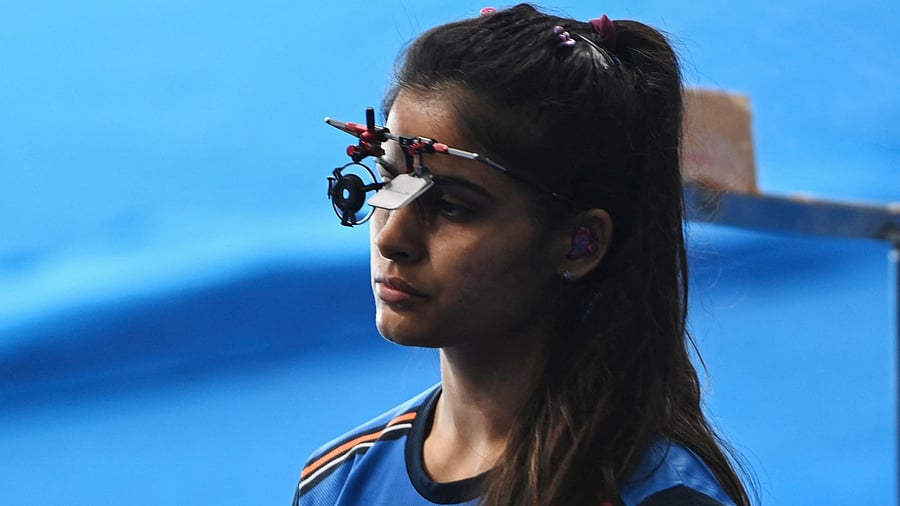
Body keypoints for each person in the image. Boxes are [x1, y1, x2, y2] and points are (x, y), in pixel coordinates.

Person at [295, 4, 753, 505]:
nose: (391, 238)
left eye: (451, 206)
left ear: (580, 242)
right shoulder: (338, 483)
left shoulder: (659, 495)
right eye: (387, 180)